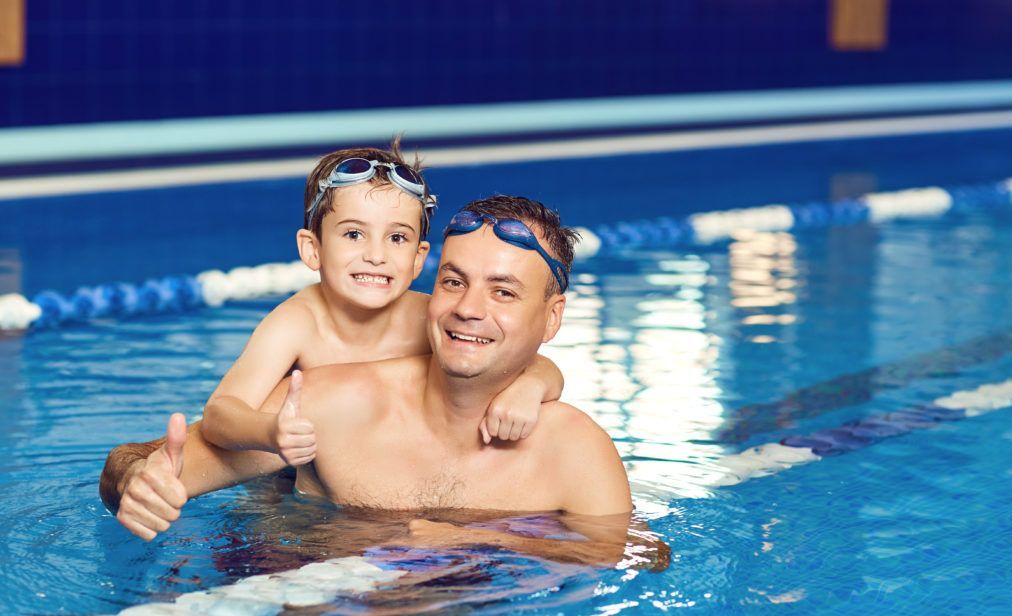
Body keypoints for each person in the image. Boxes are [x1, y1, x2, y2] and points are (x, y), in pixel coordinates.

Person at [100, 195, 634, 561]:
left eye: (503, 292)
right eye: (453, 281)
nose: (468, 309)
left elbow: (639, 555)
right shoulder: (333, 402)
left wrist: (483, 541)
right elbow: (146, 463)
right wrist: (136, 482)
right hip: (293, 577)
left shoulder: (575, 449)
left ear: (552, 318)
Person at [200, 140, 565, 468]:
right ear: (313, 249)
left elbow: (538, 364)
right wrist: (269, 431)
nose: (376, 256)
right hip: (291, 484)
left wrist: (528, 389)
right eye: (354, 234)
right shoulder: (297, 323)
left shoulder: (434, 319)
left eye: (396, 238)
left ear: (419, 258)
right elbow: (219, 414)